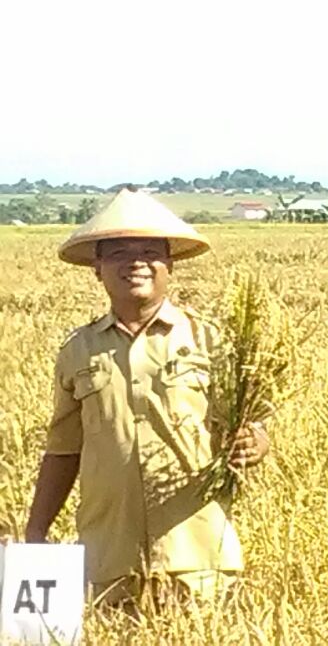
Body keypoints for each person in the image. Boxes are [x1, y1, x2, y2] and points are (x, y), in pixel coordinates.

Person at [24, 188, 270, 610]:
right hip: (108, 562)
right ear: (97, 269)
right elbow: (64, 451)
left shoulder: (211, 340)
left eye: (149, 251)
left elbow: (252, 427)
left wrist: (257, 443)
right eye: (119, 252)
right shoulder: (77, 351)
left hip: (197, 559)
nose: (135, 261)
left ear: (169, 265)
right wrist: (36, 534)